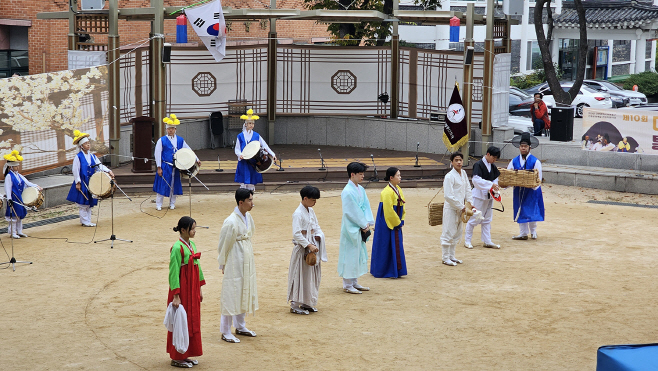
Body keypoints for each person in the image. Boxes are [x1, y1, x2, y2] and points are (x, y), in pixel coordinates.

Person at [217, 188, 258, 343]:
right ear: (241, 202)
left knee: (244, 289)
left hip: (246, 256)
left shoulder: (248, 217)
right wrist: (223, 263)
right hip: (234, 258)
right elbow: (223, 243)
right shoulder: (230, 221)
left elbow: (250, 232)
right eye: (249, 200)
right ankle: (225, 330)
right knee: (231, 292)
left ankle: (240, 325)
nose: (252, 203)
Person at [167, 216, 204, 368]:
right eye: (192, 229)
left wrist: (200, 287)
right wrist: (176, 295)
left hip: (192, 287)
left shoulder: (192, 245)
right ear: (183, 230)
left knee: (191, 319)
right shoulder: (177, 248)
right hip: (182, 289)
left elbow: (197, 267)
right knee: (180, 321)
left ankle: (186, 353)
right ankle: (177, 356)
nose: (195, 231)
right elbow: (173, 272)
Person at [288, 186, 326, 315]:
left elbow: (316, 227)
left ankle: (306, 302)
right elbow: (296, 234)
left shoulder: (310, 211)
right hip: (302, 249)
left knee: (310, 277)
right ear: (305, 198)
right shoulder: (298, 214)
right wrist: (309, 245)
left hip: (312, 247)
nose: (314, 203)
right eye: (313, 200)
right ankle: (294, 304)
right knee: (299, 275)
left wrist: (318, 237)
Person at [337, 162, 374, 294]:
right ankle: (347, 284)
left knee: (358, 252)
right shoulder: (347, 191)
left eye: (363, 174)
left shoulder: (360, 189)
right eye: (360, 174)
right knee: (350, 253)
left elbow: (366, 206)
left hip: (359, 225)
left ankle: (354, 281)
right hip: (351, 226)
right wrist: (363, 224)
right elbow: (351, 211)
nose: (362, 176)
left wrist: (367, 222)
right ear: (352, 174)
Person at [66, 130, 114, 227]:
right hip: (83, 181)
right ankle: (85, 221)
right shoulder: (78, 157)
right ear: (81, 146)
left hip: (91, 181)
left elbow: (99, 165)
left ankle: (87, 220)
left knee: (89, 202)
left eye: (88, 143)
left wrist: (108, 171)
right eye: (86, 143)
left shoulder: (92, 156)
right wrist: (78, 182)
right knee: (83, 202)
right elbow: (75, 170)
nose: (88, 145)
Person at [153, 114, 199, 211]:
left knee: (174, 184)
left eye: (172, 128)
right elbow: (157, 154)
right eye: (169, 128)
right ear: (166, 129)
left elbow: (188, 150)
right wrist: (159, 167)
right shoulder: (162, 140)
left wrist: (196, 159)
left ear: (175, 129)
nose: (171, 130)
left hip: (176, 166)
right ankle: (159, 204)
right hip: (165, 166)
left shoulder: (180, 140)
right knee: (163, 184)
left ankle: (172, 203)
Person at [370, 167, 407, 278]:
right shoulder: (386, 192)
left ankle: (396, 269)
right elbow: (388, 210)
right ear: (391, 177)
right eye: (398, 175)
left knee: (395, 244)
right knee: (385, 244)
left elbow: (402, 205)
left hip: (395, 220)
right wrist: (397, 222)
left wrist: (402, 218)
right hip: (386, 222)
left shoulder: (398, 189)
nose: (400, 177)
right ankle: (383, 270)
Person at [508, 132, 544, 240]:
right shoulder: (514, 161)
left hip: (532, 190)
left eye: (525, 146)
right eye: (521, 146)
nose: (523, 148)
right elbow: (509, 174)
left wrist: (534, 187)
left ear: (530, 148)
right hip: (518, 190)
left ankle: (533, 232)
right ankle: (523, 233)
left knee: (532, 209)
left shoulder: (535, 161)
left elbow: (539, 177)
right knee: (520, 209)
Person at [441, 152, 474, 266]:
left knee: (458, 232)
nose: (459, 162)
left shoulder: (463, 173)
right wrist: (461, 206)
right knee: (448, 231)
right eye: (456, 160)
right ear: (452, 162)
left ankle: (452, 256)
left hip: (462, 208)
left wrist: (470, 204)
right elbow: (448, 196)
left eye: (460, 160)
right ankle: (445, 257)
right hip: (451, 208)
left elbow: (468, 189)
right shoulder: (449, 176)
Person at [465, 146, 502, 249]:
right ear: (488, 154)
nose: (494, 160)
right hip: (479, 195)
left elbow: (496, 179)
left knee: (487, 219)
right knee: (474, 217)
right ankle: (467, 240)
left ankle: (487, 240)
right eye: (493, 158)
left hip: (490, 195)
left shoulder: (492, 166)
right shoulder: (478, 164)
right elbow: (476, 180)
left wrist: (495, 187)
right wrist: (490, 184)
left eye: (496, 159)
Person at [3, 150, 42, 239]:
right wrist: (9, 199)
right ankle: (13, 233)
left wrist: (37, 186)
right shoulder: (9, 176)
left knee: (19, 215)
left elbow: (27, 183)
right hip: (13, 198)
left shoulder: (19, 175)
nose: (17, 167)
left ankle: (19, 231)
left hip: (19, 197)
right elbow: (7, 188)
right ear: (11, 167)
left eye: (18, 165)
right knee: (14, 216)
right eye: (16, 166)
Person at [234, 109, 276, 191]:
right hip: (243, 161)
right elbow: (237, 149)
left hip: (253, 162)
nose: (251, 125)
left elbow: (264, 145)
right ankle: (243, 200)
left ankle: (250, 200)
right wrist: (240, 155)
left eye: (253, 123)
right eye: (250, 123)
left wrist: (272, 154)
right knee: (243, 183)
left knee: (251, 182)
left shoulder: (256, 135)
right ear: (245, 124)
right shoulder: (240, 136)